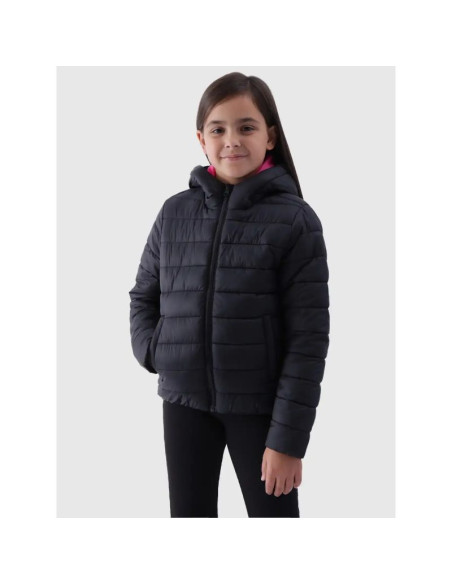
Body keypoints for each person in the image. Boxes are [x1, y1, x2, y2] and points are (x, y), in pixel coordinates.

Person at [129, 71, 330, 518]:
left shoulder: (295, 221)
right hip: (183, 403)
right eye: (218, 129)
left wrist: (288, 440)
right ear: (201, 139)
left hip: (260, 410)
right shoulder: (174, 213)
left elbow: (309, 339)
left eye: (246, 127)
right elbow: (143, 294)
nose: (232, 141)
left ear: (270, 136)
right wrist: (155, 352)